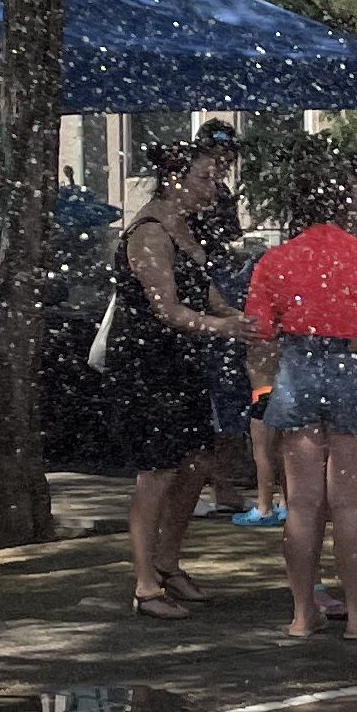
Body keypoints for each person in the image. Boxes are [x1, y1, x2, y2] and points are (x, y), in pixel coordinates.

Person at [245, 169, 357, 641]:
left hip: (298, 366)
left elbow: (259, 327)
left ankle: (303, 614)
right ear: (349, 208)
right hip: (354, 367)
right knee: (348, 505)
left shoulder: (276, 260)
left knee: (302, 504)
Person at [101, 134, 249, 620]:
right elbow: (166, 309)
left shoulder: (188, 227)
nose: (213, 186)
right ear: (173, 178)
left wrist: (240, 318)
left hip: (181, 360)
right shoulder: (148, 231)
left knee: (197, 461)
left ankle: (167, 562)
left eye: (216, 176)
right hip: (145, 362)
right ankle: (145, 585)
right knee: (157, 470)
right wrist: (223, 327)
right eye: (204, 177)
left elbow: (204, 291)